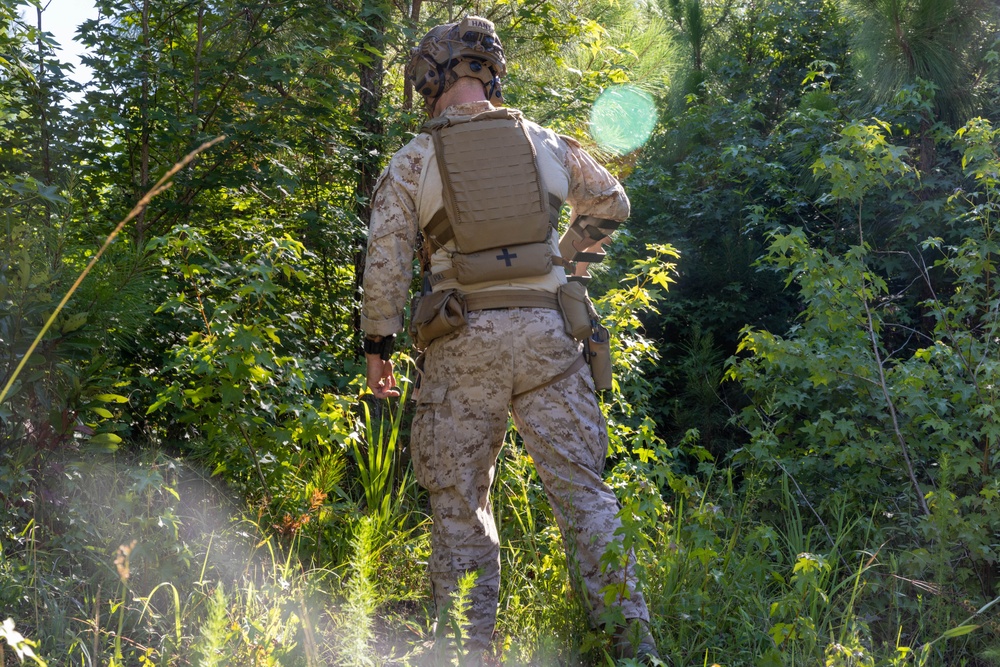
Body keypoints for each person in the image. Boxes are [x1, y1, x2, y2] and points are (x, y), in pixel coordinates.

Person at [360, 15, 660, 665]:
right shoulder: (549, 143)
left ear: (431, 79)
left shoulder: (414, 160)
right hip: (552, 335)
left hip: (461, 341)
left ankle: (469, 654)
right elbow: (613, 203)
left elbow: (386, 258)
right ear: (491, 74)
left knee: (460, 505)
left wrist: (377, 345)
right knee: (586, 494)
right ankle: (632, 645)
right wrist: (570, 259)